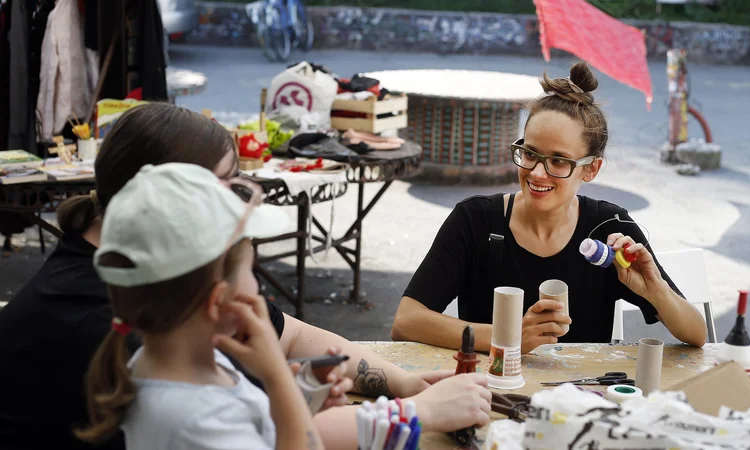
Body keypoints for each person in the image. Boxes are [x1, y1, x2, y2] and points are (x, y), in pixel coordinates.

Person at [0, 103, 490, 450]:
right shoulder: (113, 320)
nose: (244, 192)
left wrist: (403, 384)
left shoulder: (160, 281)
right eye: (229, 183)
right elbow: (279, 439)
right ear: (178, 198)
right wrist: (420, 414)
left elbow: (289, 333)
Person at [391, 62, 707, 353]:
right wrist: (509, 337)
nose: (537, 173)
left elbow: (696, 334)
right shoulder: (476, 221)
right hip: (492, 391)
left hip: (582, 398)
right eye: (529, 154)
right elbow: (407, 321)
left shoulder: (610, 227)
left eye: (558, 160)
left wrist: (656, 291)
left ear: (591, 169)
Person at [75, 163, 322, 450]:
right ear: (217, 301)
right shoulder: (198, 419)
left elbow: (256, 432)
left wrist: (296, 400)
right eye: (250, 270)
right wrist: (278, 378)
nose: (256, 285)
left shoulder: (176, 363)